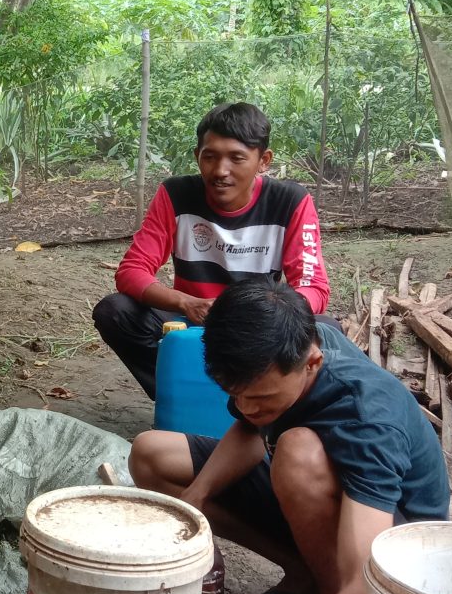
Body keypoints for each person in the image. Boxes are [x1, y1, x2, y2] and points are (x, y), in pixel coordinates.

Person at [128, 281, 449, 594]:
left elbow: (371, 581)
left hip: (394, 550)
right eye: (236, 395)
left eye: (261, 398)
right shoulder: (279, 346)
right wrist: (195, 501)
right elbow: (249, 427)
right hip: (320, 494)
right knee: (152, 455)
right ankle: (304, 580)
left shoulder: (367, 416)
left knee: (297, 452)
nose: (247, 407)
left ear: (312, 364)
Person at [93, 102, 330, 398]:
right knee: (115, 312)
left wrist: (263, 314)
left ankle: (265, 402)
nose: (220, 171)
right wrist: (186, 303)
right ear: (197, 156)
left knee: (328, 333)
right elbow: (132, 271)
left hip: (258, 327)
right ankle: (182, 396)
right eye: (210, 157)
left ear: (264, 160)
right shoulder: (176, 195)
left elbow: (314, 288)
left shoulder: (290, 201)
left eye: (237, 158)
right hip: (193, 320)